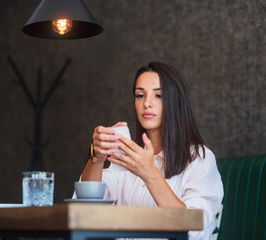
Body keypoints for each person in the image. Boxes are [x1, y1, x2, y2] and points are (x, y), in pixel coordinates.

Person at [80, 61, 224, 239]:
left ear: (175, 101)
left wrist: (149, 173)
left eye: (159, 95)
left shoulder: (199, 159)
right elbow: (86, 208)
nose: (147, 103)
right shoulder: (129, 158)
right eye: (140, 95)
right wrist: (98, 157)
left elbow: (192, 230)